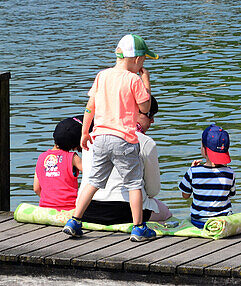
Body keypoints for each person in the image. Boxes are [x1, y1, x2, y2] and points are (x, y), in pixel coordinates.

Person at [63, 34, 157, 242]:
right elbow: (146, 107)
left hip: (100, 137)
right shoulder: (134, 80)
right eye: (143, 60)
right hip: (123, 139)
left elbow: (90, 107)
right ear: (137, 59)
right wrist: (146, 81)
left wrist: (85, 132)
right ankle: (139, 227)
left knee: (93, 181)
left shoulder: (102, 76)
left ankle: (74, 220)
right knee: (133, 183)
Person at [79, 95, 172, 224]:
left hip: (87, 209)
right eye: (150, 115)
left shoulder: (89, 138)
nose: (152, 121)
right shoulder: (145, 142)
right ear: (135, 111)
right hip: (126, 212)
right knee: (165, 211)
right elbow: (153, 190)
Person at [179, 124, 236, 226]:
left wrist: (192, 170)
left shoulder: (193, 172)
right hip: (222, 222)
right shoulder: (230, 173)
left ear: (204, 150)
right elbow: (230, 194)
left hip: (199, 222)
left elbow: (185, 196)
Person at [34, 117, 83, 210]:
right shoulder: (72, 157)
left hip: (45, 209)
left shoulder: (41, 157)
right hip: (70, 209)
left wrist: (52, 202)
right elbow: (92, 174)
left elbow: (36, 188)